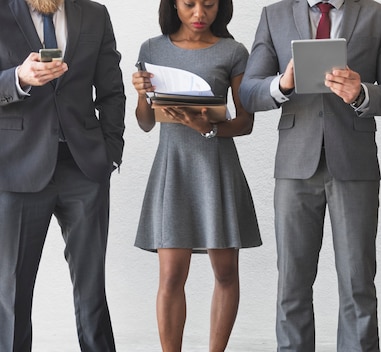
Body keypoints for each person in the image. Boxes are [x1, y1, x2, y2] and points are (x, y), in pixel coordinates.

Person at [239, 0, 381, 350]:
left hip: (354, 163)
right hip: (294, 165)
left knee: (357, 282)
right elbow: (248, 91)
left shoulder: (380, 16)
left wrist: (361, 92)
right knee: (292, 283)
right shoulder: (274, 15)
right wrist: (282, 85)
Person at [131, 0, 261, 351]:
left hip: (216, 166)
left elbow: (245, 122)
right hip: (173, 167)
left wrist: (209, 128)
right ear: (174, 5)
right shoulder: (151, 48)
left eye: (209, 5)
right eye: (189, 4)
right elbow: (145, 123)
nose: (200, 13)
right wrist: (142, 95)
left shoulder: (234, 51)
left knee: (225, 273)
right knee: (171, 275)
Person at [0, 0, 125, 350]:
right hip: (16, 171)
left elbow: (112, 90)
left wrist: (110, 154)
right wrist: (18, 78)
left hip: (85, 168)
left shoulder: (95, 14)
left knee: (92, 294)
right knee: (11, 295)